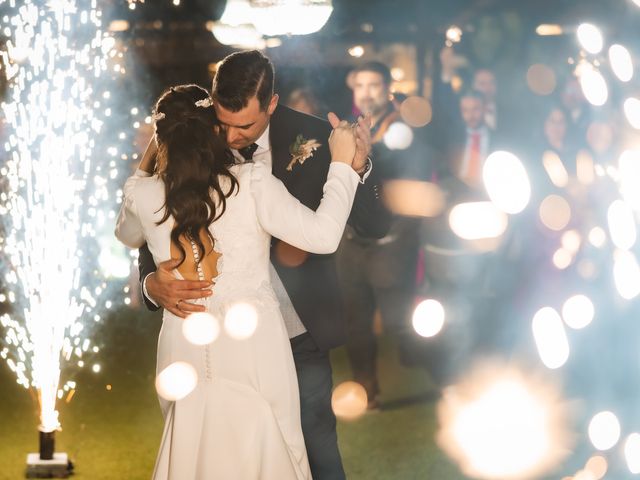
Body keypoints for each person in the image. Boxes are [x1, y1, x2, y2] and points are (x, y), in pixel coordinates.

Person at [136, 50, 391, 479]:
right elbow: (155, 217)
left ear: (271, 105)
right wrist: (149, 281)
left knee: (313, 445)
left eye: (246, 126)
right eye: (224, 123)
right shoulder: (195, 138)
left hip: (299, 322)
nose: (231, 137)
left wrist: (358, 167)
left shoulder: (316, 137)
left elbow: (374, 224)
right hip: (219, 341)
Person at [336, 62, 431, 409]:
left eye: (373, 84)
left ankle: (439, 368)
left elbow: (417, 186)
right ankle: (367, 388)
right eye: (359, 85)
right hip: (351, 244)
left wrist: (399, 238)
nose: (366, 92)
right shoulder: (345, 131)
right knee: (356, 322)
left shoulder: (405, 129)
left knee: (397, 319)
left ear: (387, 88)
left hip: (390, 244)